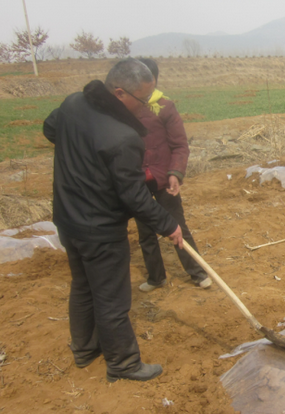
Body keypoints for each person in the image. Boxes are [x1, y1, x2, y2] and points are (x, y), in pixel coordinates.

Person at [43, 58, 183, 383]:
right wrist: (169, 225)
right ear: (120, 93)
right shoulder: (122, 137)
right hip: (100, 229)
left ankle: (84, 350)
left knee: (83, 286)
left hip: (67, 219)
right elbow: (134, 197)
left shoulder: (72, 103)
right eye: (143, 100)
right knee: (111, 298)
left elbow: (51, 129)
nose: (146, 107)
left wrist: (80, 156)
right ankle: (122, 363)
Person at [134, 58, 212, 292]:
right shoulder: (125, 110)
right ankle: (156, 278)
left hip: (164, 180)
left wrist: (175, 173)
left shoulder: (165, 107)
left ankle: (197, 273)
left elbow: (179, 145)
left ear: (152, 81)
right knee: (145, 231)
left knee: (178, 227)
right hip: (137, 182)